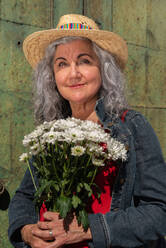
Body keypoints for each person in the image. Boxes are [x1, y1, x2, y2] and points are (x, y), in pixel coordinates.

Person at [8, 14, 166, 248]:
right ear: (52, 76)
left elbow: (159, 213)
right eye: (62, 64)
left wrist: (89, 229)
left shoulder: (131, 127)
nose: (73, 74)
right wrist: (27, 231)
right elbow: (25, 196)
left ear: (104, 69)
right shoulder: (53, 133)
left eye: (84, 61)